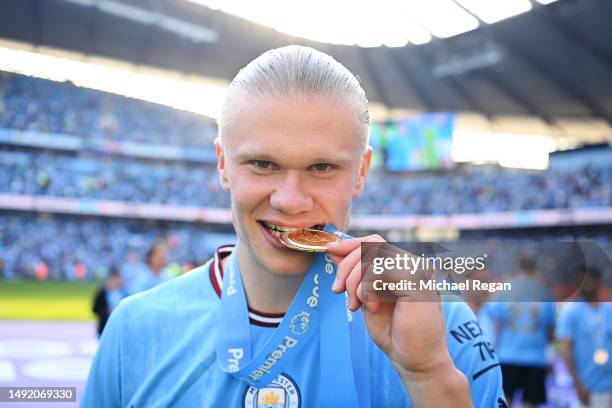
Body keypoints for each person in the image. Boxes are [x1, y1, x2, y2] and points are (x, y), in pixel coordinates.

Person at [82, 45, 506, 407]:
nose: (290, 199)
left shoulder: (439, 321)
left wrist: (429, 376)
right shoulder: (134, 329)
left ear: (361, 172)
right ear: (223, 164)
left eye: (322, 167)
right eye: (262, 164)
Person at [485, 254, 556, 408]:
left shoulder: (506, 288)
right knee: (530, 403)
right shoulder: (544, 291)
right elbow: (550, 331)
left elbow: (496, 324)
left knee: (505, 401)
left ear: (518, 266)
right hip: (535, 358)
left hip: (507, 355)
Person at [557, 267, 612, 408]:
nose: (585, 284)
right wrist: (578, 385)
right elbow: (565, 352)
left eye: (589, 279)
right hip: (586, 387)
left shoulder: (609, 311)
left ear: (599, 282)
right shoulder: (572, 313)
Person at [92, 268, 125, 337]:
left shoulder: (126, 294)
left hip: (121, 328)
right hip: (105, 326)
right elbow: (94, 309)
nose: (115, 281)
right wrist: (106, 311)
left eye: (117, 279)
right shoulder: (102, 293)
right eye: (113, 279)